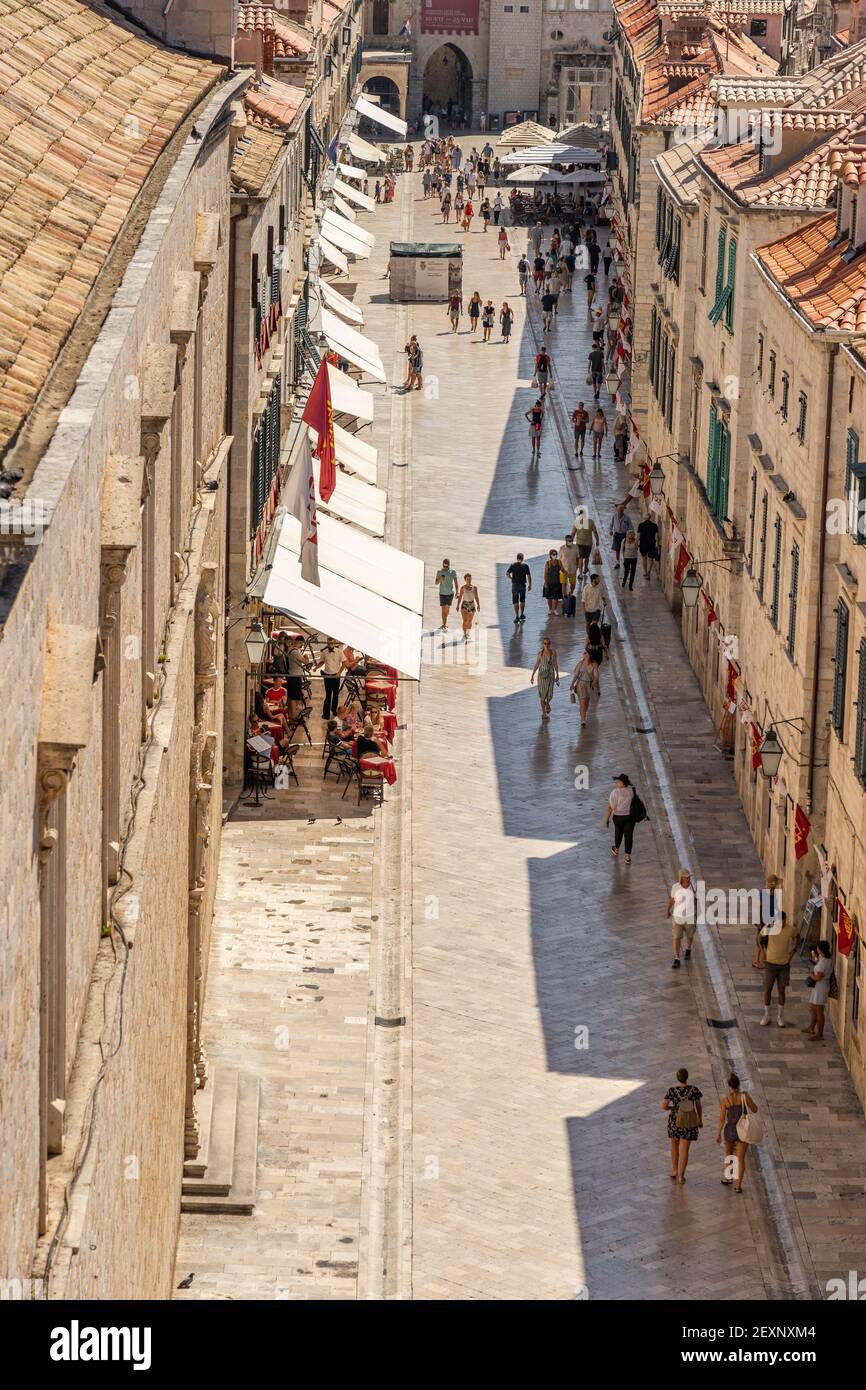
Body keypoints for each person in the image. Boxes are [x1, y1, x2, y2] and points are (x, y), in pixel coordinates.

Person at [717, 1073, 759, 1193]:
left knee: (728, 1154)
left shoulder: (725, 1101)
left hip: (730, 1130)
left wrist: (718, 1134)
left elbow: (721, 1120)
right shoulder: (744, 1097)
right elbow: (755, 1109)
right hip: (743, 1130)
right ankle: (738, 1186)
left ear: (729, 1087)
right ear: (739, 1085)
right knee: (740, 1159)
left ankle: (729, 1178)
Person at [759, 910, 801, 1028]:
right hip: (770, 963)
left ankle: (780, 1016)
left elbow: (797, 938)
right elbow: (760, 937)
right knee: (767, 989)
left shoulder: (790, 929)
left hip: (784, 965)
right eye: (779, 923)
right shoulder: (770, 927)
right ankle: (766, 1015)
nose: (781, 925)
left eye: (783, 922)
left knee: (781, 990)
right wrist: (763, 952)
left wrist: (792, 953)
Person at [662, 1068, 703, 1185]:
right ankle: (681, 1177)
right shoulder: (694, 1090)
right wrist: (700, 1120)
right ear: (687, 1077)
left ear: (677, 1077)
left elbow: (663, 1106)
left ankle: (674, 1170)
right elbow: (699, 1106)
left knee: (674, 1145)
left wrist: (672, 1108)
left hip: (675, 1121)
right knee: (684, 1150)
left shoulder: (672, 1091)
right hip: (689, 1122)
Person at [667, 868, 699, 970]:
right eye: (686, 877)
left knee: (690, 935)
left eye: (689, 877)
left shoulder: (693, 887)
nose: (688, 879)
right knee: (676, 937)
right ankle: (677, 958)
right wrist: (668, 910)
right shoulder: (675, 887)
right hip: (677, 917)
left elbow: (695, 900)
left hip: (689, 916)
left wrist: (696, 914)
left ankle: (688, 949)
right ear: (681, 878)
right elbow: (672, 900)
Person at [804, 939, 833, 1041]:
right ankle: (811, 1028)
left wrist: (810, 975)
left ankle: (819, 1034)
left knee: (819, 1011)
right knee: (813, 1008)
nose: (816, 949)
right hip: (818, 987)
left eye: (817, 947)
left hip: (821, 987)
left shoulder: (824, 962)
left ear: (820, 949)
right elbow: (817, 961)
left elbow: (818, 977)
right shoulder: (825, 959)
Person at [753, 872, 781, 969]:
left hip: (770, 921)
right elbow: (759, 907)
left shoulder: (774, 894)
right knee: (760, 941)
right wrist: (758, 922)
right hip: (763, 921)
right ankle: (757, 960)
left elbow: (775, 907)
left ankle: (763, 959)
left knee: (766, 941)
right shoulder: (762, 893)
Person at [605, 773, 635, 862]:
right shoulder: (632, 791)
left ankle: (616, 849)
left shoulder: (615, 792)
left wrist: (607, 818)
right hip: (630, 817)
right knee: (628, 836)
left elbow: (610, 807)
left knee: (618, 833)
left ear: (622, 783)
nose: (617, 783)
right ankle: (627, 857)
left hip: (618, 817)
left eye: (618, 781)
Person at [531, 637, 559, 718]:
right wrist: (532, 675)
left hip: (551, 675)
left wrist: (557, 675)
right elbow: (536, 664)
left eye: (548, 643)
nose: (546, 645)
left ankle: (547, 703)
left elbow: (556, 664)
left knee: (550, 694)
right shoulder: (540, 653)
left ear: (550, 644)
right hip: (542, 676)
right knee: (543, 695)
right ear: (543, 644)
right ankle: (543, 713)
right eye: (545, 643)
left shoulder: (553, 652)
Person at [571, 650, 600, 727]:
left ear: (590, 654)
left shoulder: (594, 664)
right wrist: (572, 684)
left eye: (586, 653)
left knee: (587, 703)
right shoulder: (580, 664)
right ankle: (583, 720)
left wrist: (594, 682)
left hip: (589, 685)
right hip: (580, 684)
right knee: (582, 702)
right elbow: (576, 675)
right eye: (584, 653)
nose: (584, 655)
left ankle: (583, 714)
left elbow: (596, 675)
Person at [318, 638, 344, 719]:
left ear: (334, 643)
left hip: (336, 676)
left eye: (332, 643)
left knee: (335, 694)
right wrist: (316, 667)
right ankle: (326, 714)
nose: (330, 645)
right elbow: (321, 662)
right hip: (327, 676)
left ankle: (334, 711)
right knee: (328, 695)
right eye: (329, 643)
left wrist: (339, 673)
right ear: (327, 643)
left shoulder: (339, 651)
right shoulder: (324, 652)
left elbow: (344, 663)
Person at [285, 637, 309, 720]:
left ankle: (291, 715)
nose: (302, 645)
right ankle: (293, 716)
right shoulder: (294, 652)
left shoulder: (291, 650)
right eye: (302, 643)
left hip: (293, 675)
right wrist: (306, 657)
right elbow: (305, 661)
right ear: (300, 642)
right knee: (294, 697)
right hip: (294, 676)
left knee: (292, 696)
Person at [571, 513, 599, 579]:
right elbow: (595, 532)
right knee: (586, 557)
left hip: (579, 543)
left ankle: (580, 574)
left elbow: (573, 533)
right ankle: (585, 570)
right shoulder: (591, 522)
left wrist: (570, 541)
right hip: (588, 543)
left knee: (580, 558)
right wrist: (597, 540)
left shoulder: (576, 522)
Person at [506, 553, 531, 623]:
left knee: (515, 601)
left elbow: (507, 573)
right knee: (522, 600)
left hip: (515, 585)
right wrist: (530, 585)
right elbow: (529, 576)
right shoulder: (525, 566)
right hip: (522, 585)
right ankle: (522, 614)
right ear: (523, 559)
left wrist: (511, 578)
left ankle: (517, 616)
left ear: (517, 558)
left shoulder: (513, 565)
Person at [435, 558, 458, 632]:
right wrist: (440, 579)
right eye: (444, 566)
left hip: (450, 593)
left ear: (449, 565)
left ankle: (445, 622)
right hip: (442, 593)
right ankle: (444, 624)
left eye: (446, 566)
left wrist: (457, 592)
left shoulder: (453, 572)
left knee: (447, 610)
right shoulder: (439, 572)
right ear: (442, 565)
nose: (445, 568)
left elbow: (456, 583)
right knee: (443, 609)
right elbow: (436, 583)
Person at [456, 573, 480, 641]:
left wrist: (478, 605)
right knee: (465, 620)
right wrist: (457, 605)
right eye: (467, 579)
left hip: (472, 605)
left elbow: (476, 597)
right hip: (464, 605)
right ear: (465, 580)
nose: (469, 580)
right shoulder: (462, 588)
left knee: (470, 621)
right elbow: (460, 597)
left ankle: (468, 634)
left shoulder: (474, 588)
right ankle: (464, 634)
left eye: (470, 579)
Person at [609, 503, 633, 568]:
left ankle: (625, 562)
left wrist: (631, 534)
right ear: (617, 511)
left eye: (621, 511)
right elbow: (611, 524)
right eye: (619, 511)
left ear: (623, 511)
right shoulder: (614, 516)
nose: (620, 512)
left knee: (625, 549)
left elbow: (630, 526)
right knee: (617, 548)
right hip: (616, 534)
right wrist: (610, 530)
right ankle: (617, 562)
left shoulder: (627, 517)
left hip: (624, 534)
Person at [637, 514, 660, 579]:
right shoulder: (654, 525)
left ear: (644, 518)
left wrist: (637, 543)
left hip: (643, 543)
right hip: (651, 543)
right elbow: (657, 536)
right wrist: (657, 545)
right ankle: (649, 571)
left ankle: (645, 572)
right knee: (651, 558)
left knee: (644, 558)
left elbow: (638, 535)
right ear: (650, 518)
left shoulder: (641, 525)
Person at [543, 548, 563, 614]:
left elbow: (563, 570)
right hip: (549, 582)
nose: (555, 555)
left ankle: (555, 609)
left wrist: (567, 574)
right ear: (550, 555)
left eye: (556, 554)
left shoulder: (559, 562)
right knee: (549, 597)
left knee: (556, 597)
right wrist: (546, 583)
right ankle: (550, 609)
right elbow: (545, 573)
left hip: (557, 582)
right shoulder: (548, 563)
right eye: (553, 554)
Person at [558, 534, 579, 598]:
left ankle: (570, 593)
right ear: (566, 541)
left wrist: (577, 566)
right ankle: (564, 596)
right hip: (563, 569)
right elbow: (560, 560)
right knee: (563, 584)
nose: (571, 542)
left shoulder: (576, 547)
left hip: (572, 569)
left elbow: (578, 557)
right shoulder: (561, 548)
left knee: (573, 584)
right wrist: (562, 569)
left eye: (572, 540)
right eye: (569, 541)